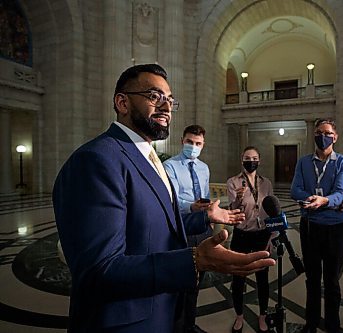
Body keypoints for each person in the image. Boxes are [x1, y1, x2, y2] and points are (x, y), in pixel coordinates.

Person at [52, 64, 275, 333]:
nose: (166, 107)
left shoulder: (147, 156)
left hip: (162, 310)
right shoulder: (97, 160)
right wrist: (194, 261)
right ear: (122, 102)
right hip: (126, 322)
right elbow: (99, 270)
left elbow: (156, 222)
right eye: (154, 96)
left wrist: (205, 217)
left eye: (170, 100)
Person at [291, 119, 343, 333]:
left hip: (334, 228)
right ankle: (311, 322)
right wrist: (312, 198)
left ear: (335, 136)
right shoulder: (304, 162)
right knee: (312, 278)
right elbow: (295, 190)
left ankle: (333, 324)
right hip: (309, 227)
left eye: (326, 132)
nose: (322, 136)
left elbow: (341, 192)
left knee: (332, 280)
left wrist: (323, 201)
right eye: (318, 132)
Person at [163, 124, 211, 333]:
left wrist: (207, 207)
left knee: (196, 281)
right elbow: (170, 199)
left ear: (203, 145)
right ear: (182, 140)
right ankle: (176, 326)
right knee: (180, 283)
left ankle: (189, 324)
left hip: (202, 229)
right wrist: (190, 206)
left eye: (198, 144)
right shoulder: (169, 166)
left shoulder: (204, 168)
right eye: (190, 142)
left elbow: (206, 193)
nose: (193, 146)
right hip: (181, 228)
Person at [227, 146, 274, 333]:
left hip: (261, 235)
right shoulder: (233, 182)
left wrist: (272, 235)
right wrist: (238, 198)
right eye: (247, 158)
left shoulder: (266, 183)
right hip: (242, 235)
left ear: (259, 161)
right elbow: (233, 208)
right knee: (238, 278)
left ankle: (262, 316)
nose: (251, 161)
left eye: (254, 158)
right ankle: (239, 316)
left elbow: (271, 209)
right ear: (242, 160)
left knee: (262, 278)